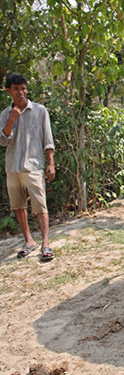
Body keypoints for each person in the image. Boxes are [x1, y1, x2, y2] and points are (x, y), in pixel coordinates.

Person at [0, 73, 56, 261]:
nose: (21, 92)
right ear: (9, 91)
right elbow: (2, 141)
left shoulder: (40, 111)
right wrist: (11, 120)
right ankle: (29, 241)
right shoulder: (5, 115)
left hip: (33, 166)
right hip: (13, 167)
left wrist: (51, 164)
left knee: (41, 206)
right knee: (19, 207)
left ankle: (45, 244)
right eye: (16, 89)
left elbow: (47, 140)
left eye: (23, 88)